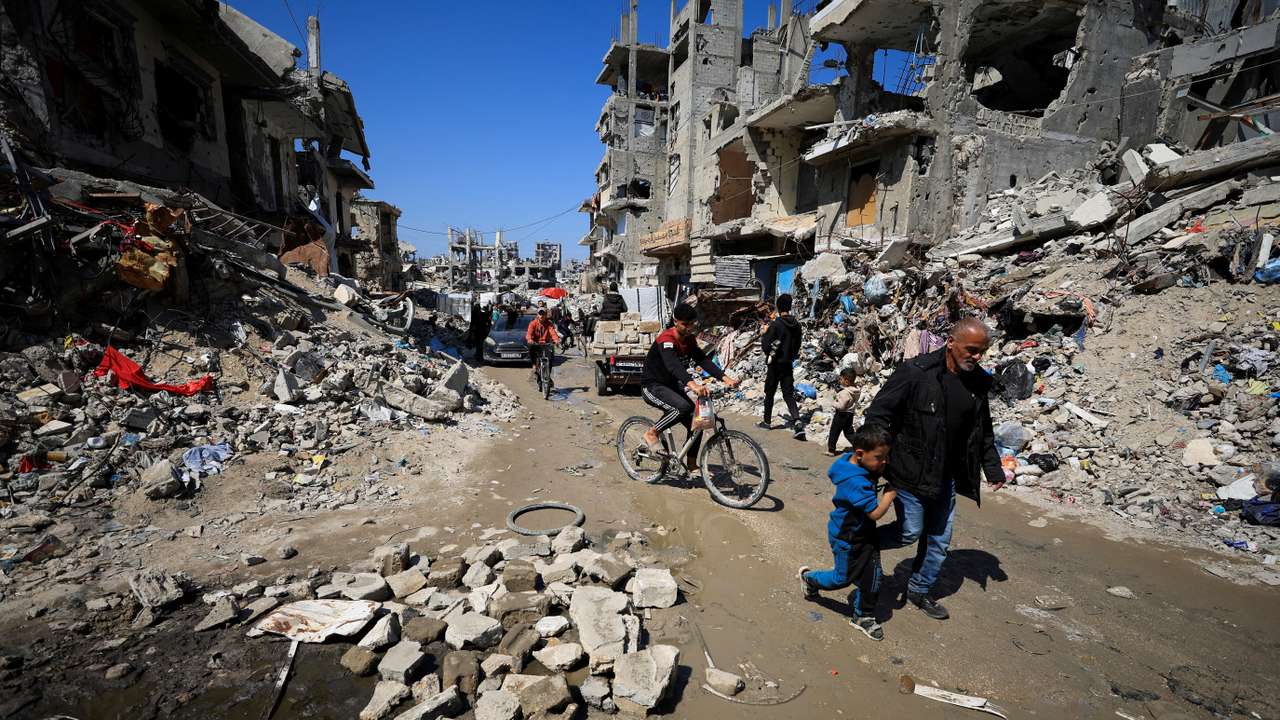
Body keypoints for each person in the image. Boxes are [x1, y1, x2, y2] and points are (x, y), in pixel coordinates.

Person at [864, 317, 1005, 621]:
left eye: (982, 351)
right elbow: (878, 415)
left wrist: (992, 467)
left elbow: (983, 429)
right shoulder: (916, 373)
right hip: (910, 472)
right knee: (910, 532)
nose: (977, 357)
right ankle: (865, 542)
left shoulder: (978, 382)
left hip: (947, 477)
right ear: (951, 343)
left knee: (939, 540)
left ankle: (919, 589)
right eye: (971, 350)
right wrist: (873, 462)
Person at [798, 427, 897, 641]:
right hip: (847, 538)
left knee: (873, 577)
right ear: (860, 454)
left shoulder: (852, 462)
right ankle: (810, 580)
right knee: (842, 578)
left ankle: (863, 616)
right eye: (880, 458)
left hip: (864, 535)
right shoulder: (855, 482)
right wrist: (889, 495)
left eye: (886, 457)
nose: (884, 462)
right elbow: (875, 513)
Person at [639, 303, 740, 472]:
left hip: (670, 386)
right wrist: (693, 385)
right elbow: (673, 366)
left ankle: (691, 464)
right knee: (682, 408)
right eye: (685, 324)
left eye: (691, 324)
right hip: (652, 386)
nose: (689, 328)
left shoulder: (689, 339)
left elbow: (703, 360)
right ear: (675, 322)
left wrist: (725, 378)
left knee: (698, 422)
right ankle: (652, 433)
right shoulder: (666, 340)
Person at [759, 294, 805, 440]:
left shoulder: (776, 324)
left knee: (770, 392)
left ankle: (767, 422)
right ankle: (797, 422)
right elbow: (797, 345)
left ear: (778, 307)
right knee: (788, 394)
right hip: (787, 364)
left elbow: (766, 346)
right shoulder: (796, 325)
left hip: (774, 364)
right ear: (790, 307)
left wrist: (763, 334)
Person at [827, 367, 860, 456]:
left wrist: (834, 403)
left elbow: (841, 406)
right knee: (849, 433)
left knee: (834, 431)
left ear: (846, 381)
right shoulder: (856, 391)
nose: (840, 381)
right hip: (850, 414)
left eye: (841, 379)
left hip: (841, 415)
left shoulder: (844, 392)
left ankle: (831, 450)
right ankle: (859, 446)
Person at [525, 307, 560, 383]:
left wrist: (556, 340)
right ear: (537, 315)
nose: (541, 316)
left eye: (543, 314)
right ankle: (534, 364)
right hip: (536, 343)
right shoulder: (533, 323)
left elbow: (552, 332)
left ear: (546, 315)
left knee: (550, 359)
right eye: (540, 314)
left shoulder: (549, 323)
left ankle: (547, 376)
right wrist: (530, 339)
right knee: (530, 347)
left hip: (546, 343)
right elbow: (529, 333)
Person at [469, 299, 492, 366]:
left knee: (479, 344)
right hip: (481, 332)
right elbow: (489, 319)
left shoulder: (475, 315)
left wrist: (471, 332)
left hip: (479, 332)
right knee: (480, 344)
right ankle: (480, 356)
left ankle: (479, 356)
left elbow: (472, 324)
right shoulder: (483, 314)